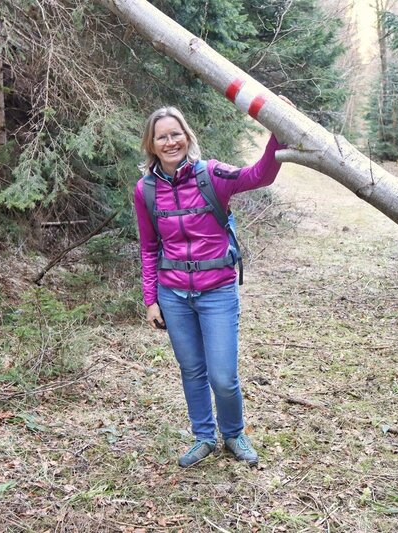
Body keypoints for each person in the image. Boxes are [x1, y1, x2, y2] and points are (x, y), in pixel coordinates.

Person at [133, 105, 285, 468]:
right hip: (173, 295)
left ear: (187, 136)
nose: (171, 142)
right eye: (162, 137)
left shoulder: (212, 174)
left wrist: (278, 131)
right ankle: (204, 437)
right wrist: (151, 300)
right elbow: (149, 247)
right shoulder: (146, 190)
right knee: (192, 370)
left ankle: (233, 433)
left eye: (176, 133)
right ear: (151, 145)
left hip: (217, 290)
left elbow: (260, 175)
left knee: (222, 376)